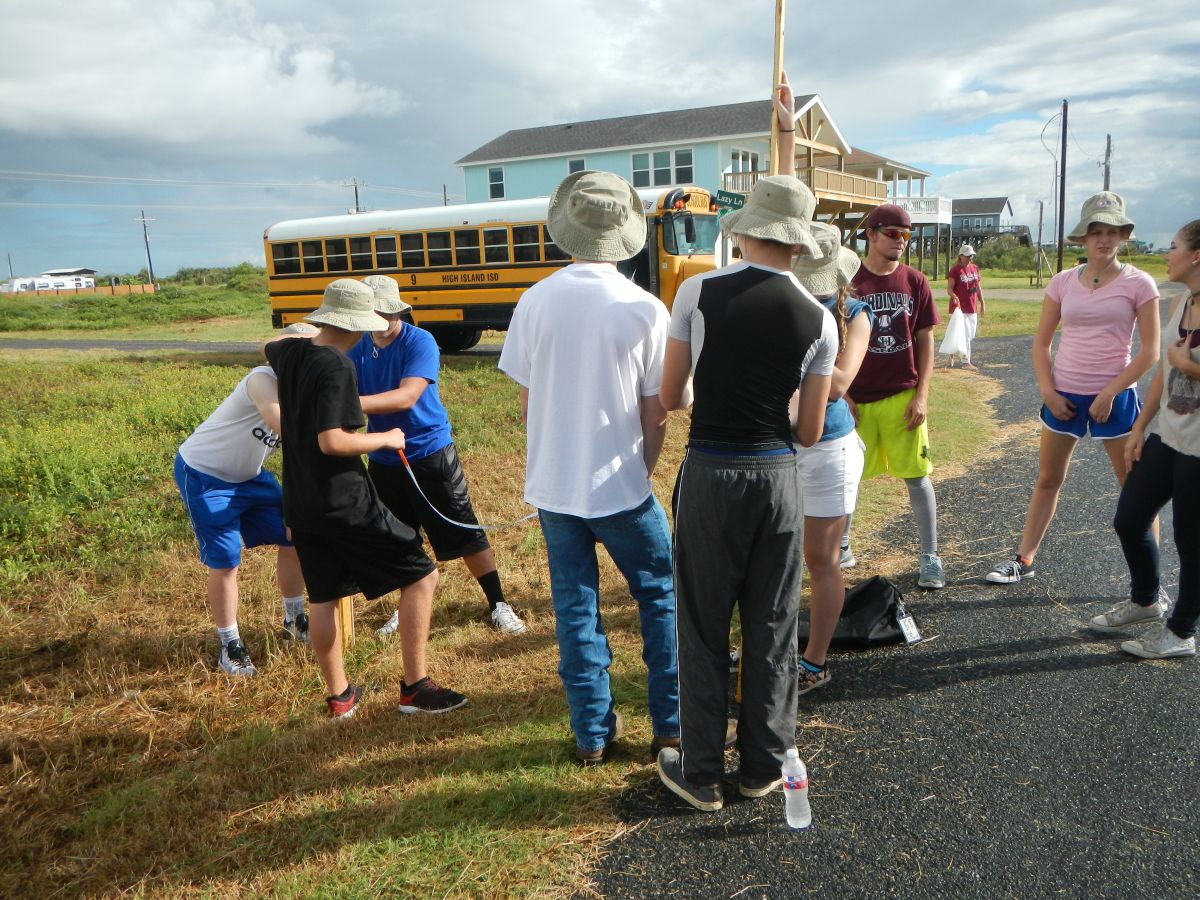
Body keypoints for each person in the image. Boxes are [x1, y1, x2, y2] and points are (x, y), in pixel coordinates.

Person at [655, 173, 837, 812]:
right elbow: (810, 430)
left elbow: (673, 396)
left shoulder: (698, 292)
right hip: (779, 475)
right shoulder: (820, 317)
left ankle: (701, 770)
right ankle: (762, 763)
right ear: (800, 241)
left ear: (748, 228)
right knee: (772, 621)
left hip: (711, 471)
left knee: (704, 624)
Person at [498, 170, 679, 766]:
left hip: (555, 485)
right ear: (624, 234)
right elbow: (657, 413)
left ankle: (592, 735)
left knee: (576, 609)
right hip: (622, 484)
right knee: (660, 597)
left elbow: (527, 402)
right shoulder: (646, 309)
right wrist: (643, 470)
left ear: (566, 229)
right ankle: (671, 726)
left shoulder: (535, 300)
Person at [265, 279, 467, 718]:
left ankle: (340, 698)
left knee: (323, 595)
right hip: (344, 498)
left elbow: (270, 343)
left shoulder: (291, 353)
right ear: (359, 325)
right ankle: (415, 687)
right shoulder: (335, 366)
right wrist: (385, 439)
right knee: (421, 574)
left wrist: (299, 332)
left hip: (300, 500)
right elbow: (333, 441)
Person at [986, 192, 1160, 585]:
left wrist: (1110, 392)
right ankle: (1023, 559)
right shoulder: (1063, 282)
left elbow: (1149, 352)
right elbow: (1041, 341)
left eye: (1112, 231)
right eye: (1095, 231)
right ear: (1082, 237)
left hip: (1113, 397)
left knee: (1135, 489)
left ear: (1122, 236)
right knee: (1048, 478)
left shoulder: (1139, 283)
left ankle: (1149, 582)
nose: (1103, 239)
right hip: (1063, 394)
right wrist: (1047, 389)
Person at [347, 274, 526, 636]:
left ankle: (498, 603)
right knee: (400, 537)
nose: (381, 321)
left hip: (429, 451)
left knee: (464, 531)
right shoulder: (356, 348)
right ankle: (407, 605)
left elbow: (406, 396)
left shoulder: (420, 341)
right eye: (373, 314)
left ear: (398, 312)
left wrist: (343, 404)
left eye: (387, 313)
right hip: (384, 456)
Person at [174, 324, 315, 677]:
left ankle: (294, 619)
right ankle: (230, 645)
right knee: (225, 561)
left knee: (295, 532)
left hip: (250, 478)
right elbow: (280, 423)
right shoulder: (261, 378)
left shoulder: (305, 386)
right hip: (206, 475)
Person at [1091, 219, 1200, 657]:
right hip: (1168, 437)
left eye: (1173, 246)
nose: (1166, 254)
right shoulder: (1184, 302)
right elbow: (1164, 370)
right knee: (1130, 518)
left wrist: (1186, 362)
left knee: (1191, 541)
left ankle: (1181, 633)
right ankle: (1146, 600)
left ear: (1196, 255)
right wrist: (1139, 428)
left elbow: (1179, 361)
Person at [847, 204, 945, 588]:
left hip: (901, 395)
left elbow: (925, 341)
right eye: (893, 233)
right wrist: (842, 395)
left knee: (918, 477)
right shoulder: (850, 280)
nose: (901, 241)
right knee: (848, 477)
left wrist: (921, 395)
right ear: (870, 234)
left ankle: (930, 556)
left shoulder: (915, 282)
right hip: (857, 399)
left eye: (906, 235)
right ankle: (841, 545)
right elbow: (837, 339)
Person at [791, 222, 871, 693]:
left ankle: (815, 662)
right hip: (780, 445)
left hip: (828, 449)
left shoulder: (855, 313)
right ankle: (776, 646)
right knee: (777, 556)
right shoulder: (780, 302)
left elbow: (840, 383)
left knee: (821, 559)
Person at [946, 243, 985, 370]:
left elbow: (978, 287)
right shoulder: (955, 270)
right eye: (967, 256)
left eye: (971, 256)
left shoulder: (975, 268)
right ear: (961, 256)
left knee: (970, 333)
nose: (969, 258)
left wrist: (982, 302)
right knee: (965, 334)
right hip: (959, 307)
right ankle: (965, 361)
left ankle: (952, 351)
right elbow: (949, 288)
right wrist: (954, 296)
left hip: (971, 306)